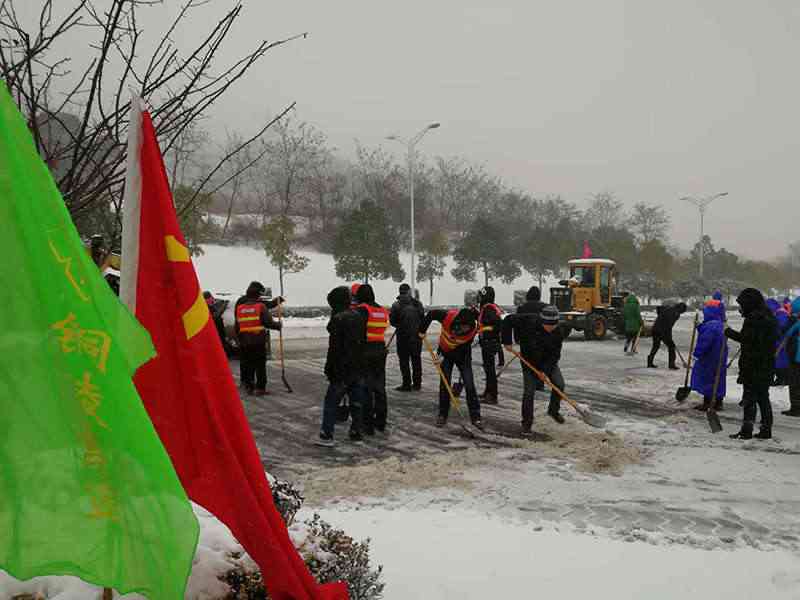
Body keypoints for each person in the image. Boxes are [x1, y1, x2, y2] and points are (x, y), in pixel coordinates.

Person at [316, 286, 369, 447]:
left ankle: (327, 435)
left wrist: (329, 368)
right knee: (357, 403)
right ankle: (356, 432)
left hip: (341, 369)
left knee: (331, 402)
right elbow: (363, 343)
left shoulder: (338, 320)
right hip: (358, 367)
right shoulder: (359, 317)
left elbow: (334, 349)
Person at [502, 305, 566, 435]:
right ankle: (527, 423)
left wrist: (544, 371)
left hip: (548, 361)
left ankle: (553, 411)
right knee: (529, 391)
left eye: (553, 326)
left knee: (559, 384)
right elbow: (508, 320)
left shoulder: (558, 332)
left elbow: (555, 355)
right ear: (542, 321)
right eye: (548, 325)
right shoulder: (529, 320)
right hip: (529, 361)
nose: (551, 328)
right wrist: (507, 341)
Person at [725, 288, 778, 440]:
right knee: (763, 398)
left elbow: (746, 339)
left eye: (742, 304)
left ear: (750, 303)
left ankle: (746, 431)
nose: (741, 308)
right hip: (766, 365)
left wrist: (728, 332)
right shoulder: (768, 316)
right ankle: (766, 430)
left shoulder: (754, 319)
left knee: (749, 399)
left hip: (753, 365)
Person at [419, 306, 483, 429]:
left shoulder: (472, 329)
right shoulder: (447, 316)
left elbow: (463, 346)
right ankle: (442, 414)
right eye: (464, 327)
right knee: (445, 383)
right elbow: (431, 314)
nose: (466, 329)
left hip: (462, 355)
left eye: (468, 327)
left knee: (469, 384)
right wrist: (422, 330)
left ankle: (476, 417)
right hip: (445, 352)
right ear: (459, 322)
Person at [353, 283, 390, 435]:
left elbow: (357, 331)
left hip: (366, 351)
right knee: (380, 387)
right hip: (380, 350)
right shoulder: (382, 310)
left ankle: (367, 424)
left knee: (366, 388)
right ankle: (381, 422)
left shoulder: (362, 310)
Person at [234, 281, 283, 396]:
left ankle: (249, 386)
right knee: (260, 365)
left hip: (245, 342)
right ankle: (260, 388)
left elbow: (237, 326)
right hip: (258, 341)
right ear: (258, 295)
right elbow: (268, 323)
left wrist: (239, 340)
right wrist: (278, 325)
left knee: (248, 364)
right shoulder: (260, 306)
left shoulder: (240, 307)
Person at [691, 302, 728, 412]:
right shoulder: (720, 324)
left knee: (707, 379)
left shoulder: (711, 326)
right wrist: (699, 326)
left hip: (709, 358)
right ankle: (719, 402)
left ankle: (707, 403)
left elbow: (705, 342)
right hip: (720, 357)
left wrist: (697, 354)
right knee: (719, 378)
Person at [390, 283, 425, 392]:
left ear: (399, 292)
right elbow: (423, 318)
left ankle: (406, 384)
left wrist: (400, 325)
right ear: (409, 291)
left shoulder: (396, 305)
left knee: (404, 361)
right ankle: (417, 384)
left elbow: (392, 321)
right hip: (417, 337)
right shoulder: (418, 304)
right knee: (416, 360)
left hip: (402, 337)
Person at [477, 286, 504, 405]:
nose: (479, 298)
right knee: (488, 369)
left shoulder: (489, 309)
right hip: (489, 342)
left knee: (490, 370)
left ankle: (492, 396)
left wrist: (487, 331)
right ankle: (488, 392)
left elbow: (496, 324)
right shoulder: (490, 307)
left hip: (489, 342)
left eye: (481, 296)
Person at [647, 302, 688, 369]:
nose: (682, 313)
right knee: (671, 347)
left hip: (655, 329)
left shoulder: (669, 309)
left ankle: (650, 362)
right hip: (662, 330)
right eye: (683, 311)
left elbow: (660, 312)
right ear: (681, 309)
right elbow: (668, 326)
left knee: (655, 346)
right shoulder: (675, 313)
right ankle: (671, 365)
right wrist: (669, 338)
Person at [780, 298, 800, 417]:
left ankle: (796, 408)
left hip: (796, 357)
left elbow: (786, 333)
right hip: (795, 356)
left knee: (795, 381)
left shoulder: (794, 322)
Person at [767, 298, 791, 386]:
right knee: (780, 361)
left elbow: (781, 328)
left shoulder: (780, 316)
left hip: (781, 343)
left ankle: (782, 379)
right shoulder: (780, 314)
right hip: (779, 343)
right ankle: (782, 378)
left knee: (780, 362)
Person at [204, 290, 229, 355]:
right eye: (209, 298)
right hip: (215, 333)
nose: (212, 300)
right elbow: (216, 315)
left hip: (216, 333)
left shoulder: (209, 306)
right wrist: (224, 305)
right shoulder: (206, 308)